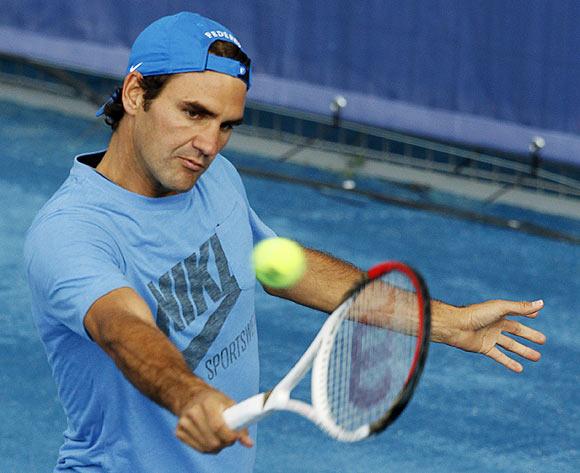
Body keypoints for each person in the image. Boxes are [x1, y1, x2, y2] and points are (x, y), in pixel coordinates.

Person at [24, 11, 546, 473]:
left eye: (227, 125)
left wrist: (448, 322)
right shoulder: (71, 231)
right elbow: (121, 328)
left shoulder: (216, 179)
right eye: (193, 113)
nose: (208, 144)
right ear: (136, 93)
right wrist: (191, 397)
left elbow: (285, 269)